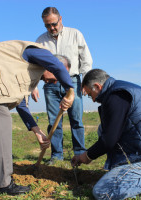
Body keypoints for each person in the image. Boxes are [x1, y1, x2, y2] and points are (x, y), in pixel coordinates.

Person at [0, 40, 75, 195]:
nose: (53, 81)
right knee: (0, 122)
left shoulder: (23, 68)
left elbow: (22, 105)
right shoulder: (41, 52)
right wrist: (70, 90)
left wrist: (37, 131)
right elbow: (57, 66)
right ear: (51, 66)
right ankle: (2, 184)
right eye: (56, 77)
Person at [71, 69, 141, 199]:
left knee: (102, 191)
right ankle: (127, 173)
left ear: (97, 87)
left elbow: (109, 140)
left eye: (90, 95)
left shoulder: (116, 96)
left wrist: (87, 156)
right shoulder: (121, 89)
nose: (93, 100)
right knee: (102, 128)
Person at [31, 7, 93, 163]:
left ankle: (79, 153)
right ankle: (57, 155)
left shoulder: (75, 34)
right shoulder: (40, 41)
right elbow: (35, 66)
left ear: (60, 19)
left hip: (72, 82)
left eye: (53, 24)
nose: (51, 28)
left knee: (76, 119)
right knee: (53, 121)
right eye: (47, 25)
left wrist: (85, 82)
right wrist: (33, 86)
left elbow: (86, 59)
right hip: (50, 85)